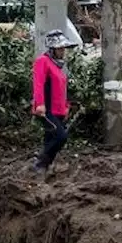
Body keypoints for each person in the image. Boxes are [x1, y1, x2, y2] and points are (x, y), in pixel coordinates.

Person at [32, 30, 74, 178]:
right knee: (60, 137)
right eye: (60, 48)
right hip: (46, 109)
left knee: (51, 138)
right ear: (52, 49)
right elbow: (38, 84)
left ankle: (45, 167)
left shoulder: (58, 67)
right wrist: (40, 104)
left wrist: (66, 106)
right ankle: (40, 163)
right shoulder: (43, 61)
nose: (63, 51)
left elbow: (62, 89)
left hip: (58, 110)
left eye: (63, 48)